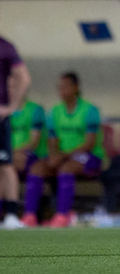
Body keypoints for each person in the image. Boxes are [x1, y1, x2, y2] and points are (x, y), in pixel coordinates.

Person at [21, 72, 104, 228]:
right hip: (62, 156)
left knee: (66, 168)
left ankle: (62, 215)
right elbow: (52, 140)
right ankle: (29, 216)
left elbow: (89, 143)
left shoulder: (90, 110)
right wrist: (53, 156)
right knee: (36, 169)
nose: (62, 91)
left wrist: (63, 156)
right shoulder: (54, 112)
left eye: (66, 87)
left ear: (76, 87)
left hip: (88, 157)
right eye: (59, 88)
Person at [0, 35, 32, 229]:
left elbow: (24, 77)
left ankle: (11, 213)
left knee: (5, 165)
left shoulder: (5, 47)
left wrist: (11, 107)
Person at [8, 75, 48, 176]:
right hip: (12, 154)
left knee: (8, 164)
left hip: (33, 155)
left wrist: (13, 152)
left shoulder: (35, 110)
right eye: (9, 87)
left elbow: (34, 142)